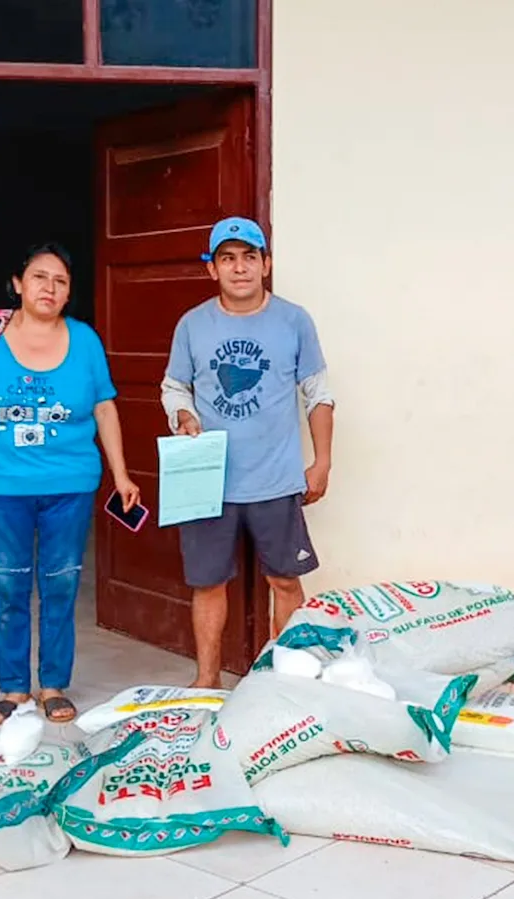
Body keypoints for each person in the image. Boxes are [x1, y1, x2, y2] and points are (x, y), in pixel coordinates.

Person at [0, 242, 140, 725]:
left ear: (69, 292)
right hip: (0, 484)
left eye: (61, 281)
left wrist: (122, 472)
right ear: (18, 283)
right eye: (40, 277)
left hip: (69, 483)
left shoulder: (85, 341)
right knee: (8, 584)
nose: (50, 287)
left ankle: (52, 685)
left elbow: (104, 406)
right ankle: (13, 689)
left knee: (60, 584)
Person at [162, 216, 334, 689]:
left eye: (249, 257)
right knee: (208, 583)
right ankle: (207, 681)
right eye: (227, 258)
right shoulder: (193, 325)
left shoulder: (294, 320)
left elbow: (318, 393)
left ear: (266, 264)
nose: (239, 268)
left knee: (285, 581)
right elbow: (174, 387)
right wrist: (182, 415)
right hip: (207, 477)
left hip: (275, 478)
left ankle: (286, 682)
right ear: (212, 269)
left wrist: (322, 461)